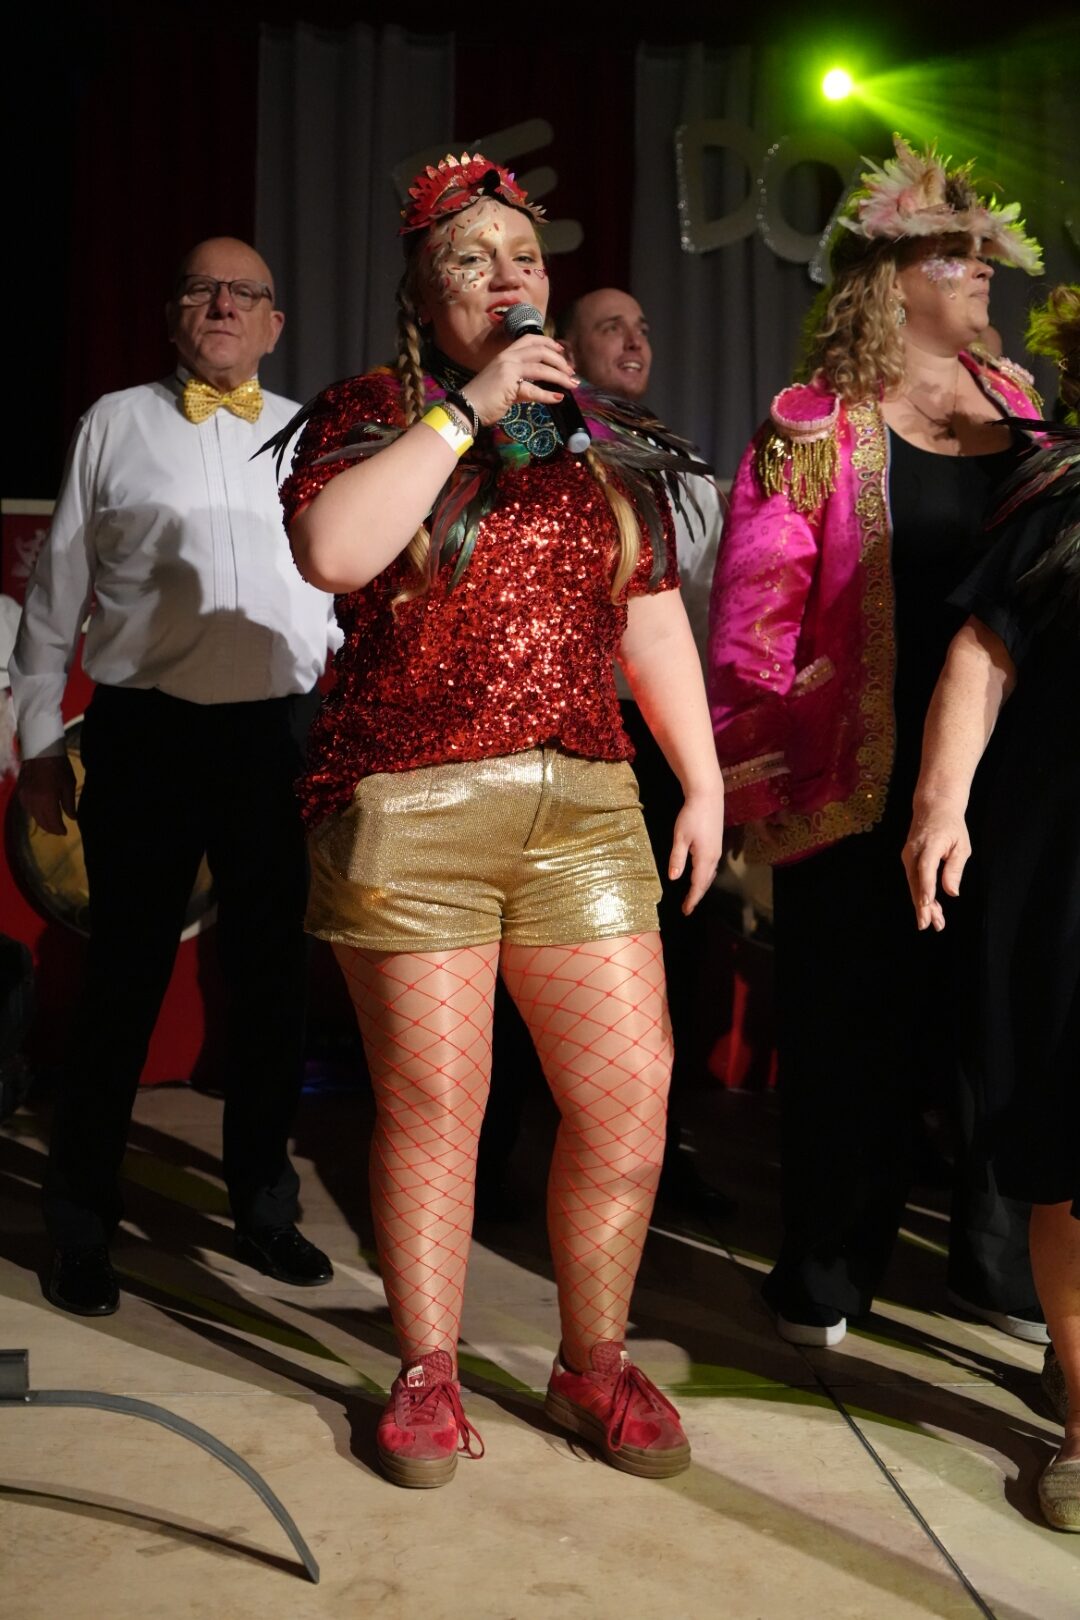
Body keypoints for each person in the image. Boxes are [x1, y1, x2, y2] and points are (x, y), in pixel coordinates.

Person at [275, 153, 724, 1487]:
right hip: (411, 808)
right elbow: (337, 553)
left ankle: (594, 1362)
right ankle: (427, 1370)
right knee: (436, 1107)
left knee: (630, 1101)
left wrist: (703, 779)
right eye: (470, 259)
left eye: (522, 257)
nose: (506, 276)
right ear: (423, 294)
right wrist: (465, 411)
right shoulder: (369, 413)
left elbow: (649, 617)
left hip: (585, 808)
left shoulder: (601, 441)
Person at [707, 135, 1044, 1347]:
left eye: (985, 251)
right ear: (889, 277)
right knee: (855, 1032)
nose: (982, 269)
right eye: (954, 252)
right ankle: (829, 1267)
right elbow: (751, 625)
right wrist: (755, 780)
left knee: (998, 1025)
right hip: (857, 782)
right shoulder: (816, 424)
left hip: (1011, 775)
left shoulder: (1026, 410)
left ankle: (992, 1265)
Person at [10, 238, 339, 1316]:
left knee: (273, 983)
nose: (223, 304)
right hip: (145, 735)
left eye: (246, 292)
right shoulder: (114, 420)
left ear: (275, 324)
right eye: (203, 287)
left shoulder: (310, 433)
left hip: (276, 739)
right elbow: (57, 595)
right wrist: (40, 744)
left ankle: (264, 1208)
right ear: (173, 314)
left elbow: (337, 593)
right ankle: (80, 1223)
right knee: (122, 982)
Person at [902, 284, 1079, 1532]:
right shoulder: (1063, 498)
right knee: (1074, 1147)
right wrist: (939, 806)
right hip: (1068, 866)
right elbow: (981, 653)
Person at [558, 287, 731, 1220]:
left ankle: (661, 1153)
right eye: (611, 327)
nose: (634, 340)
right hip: (574, 727)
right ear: (567, 346)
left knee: (676, 939)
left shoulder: (681, 461)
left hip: (664, 735)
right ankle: (509, 1147)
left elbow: (702, 605)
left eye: (643, 328)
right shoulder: (541, 440)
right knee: (552, 943)